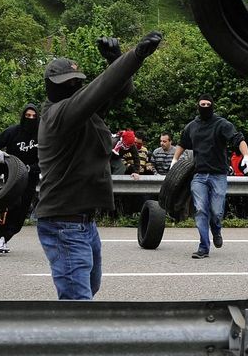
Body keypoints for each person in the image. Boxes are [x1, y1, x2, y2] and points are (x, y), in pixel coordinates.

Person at [36, 31, 163, 300]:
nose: (71, 86)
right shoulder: (60, 115)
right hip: (64, 222)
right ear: (50, 85)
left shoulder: (85, 114)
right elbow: (102, 87)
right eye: (64, 82)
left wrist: (115, 59)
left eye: (75, 81)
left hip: (83, 221)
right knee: (78, 302)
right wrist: (134, 56)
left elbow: (121, 90)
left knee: (87, 292)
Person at [172, 94, 248, 259]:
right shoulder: (191, 127)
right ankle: (203, 247)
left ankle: (216, 230)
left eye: (208, 104)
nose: (205, 106)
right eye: (202, 104)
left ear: (213, 106)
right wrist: (174, 160)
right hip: (199, 175)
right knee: (200, 210)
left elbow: (239, 139)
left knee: (216, 212)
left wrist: (246, 156)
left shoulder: (221, 124)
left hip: (218, 175)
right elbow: (182, 143)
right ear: (198, 106)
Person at [0, 104, 40, 253]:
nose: (30, 118)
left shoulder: (42, 134)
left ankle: (6, 238)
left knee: (22, 211)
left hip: (30, 178)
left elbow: (47, 158)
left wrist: (31, 168)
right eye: (28, 116)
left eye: (33, 116)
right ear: (23, 116)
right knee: (10, 206)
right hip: (12, 177)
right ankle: (0, 237)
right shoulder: (13, 132)